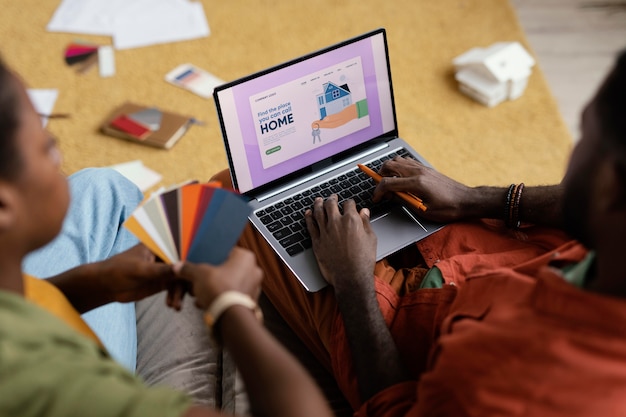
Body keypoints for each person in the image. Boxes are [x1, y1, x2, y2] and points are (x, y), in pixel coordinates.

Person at [216, 48, 626, 416]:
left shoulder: (508, 382)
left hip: (389, 327)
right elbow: (576, 207)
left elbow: (394, 406)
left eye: (584, 135)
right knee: (374, 188)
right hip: (494, 251)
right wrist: (474, 198)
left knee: (231, 193)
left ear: (611, 186)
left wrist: (354, 282)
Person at [0, 56, 333, 417]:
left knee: (105, 187)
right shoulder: (69, 391)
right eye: (49, 147)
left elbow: (17, 311)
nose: (59, 161)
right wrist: (233, 308)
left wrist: (98, 282)